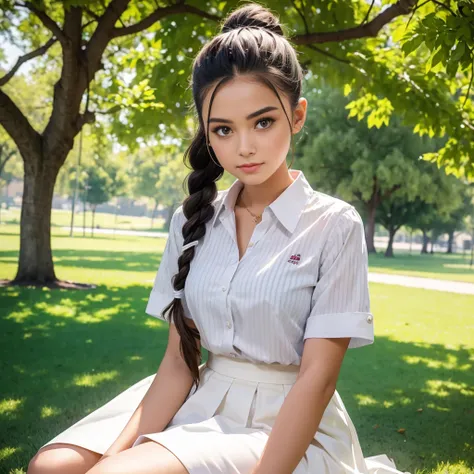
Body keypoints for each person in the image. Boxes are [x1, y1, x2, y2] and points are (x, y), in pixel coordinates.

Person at [27, 3, 411, 474]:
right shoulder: (192, 219)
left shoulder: (335, 224)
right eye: (224, 130)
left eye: (263, 122)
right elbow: (178, 363)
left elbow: (317, 379)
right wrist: (112, 457)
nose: (244, 147)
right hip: (202, 394)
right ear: (207, 135)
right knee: (52, 467)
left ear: (297, 115)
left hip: (286, 422)